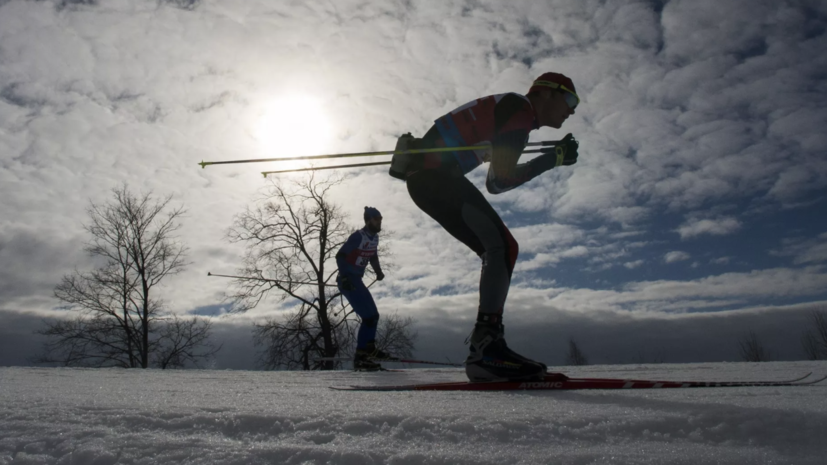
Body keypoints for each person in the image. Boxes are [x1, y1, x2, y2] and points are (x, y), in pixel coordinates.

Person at [392, 72, 580, 381]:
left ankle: (486, 345)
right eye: (570, 99)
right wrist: (552, 159)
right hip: (436, 178)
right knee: (503, 248)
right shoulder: (520, 110)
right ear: (546, 93)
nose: (572, 110)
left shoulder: (513, 110)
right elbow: (499, 181)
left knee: (498, 250)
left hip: (427, 179)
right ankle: (486, 349)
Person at [336, 206, 389, 371]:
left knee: (374, 316)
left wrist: (378, 271)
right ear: (368, 220)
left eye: (380, 218)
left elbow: (372, 255)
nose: (379, 221)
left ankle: (369, 349)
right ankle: (361, 356)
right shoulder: (358, 236)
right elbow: (340, 255)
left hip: (356, 280)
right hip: (349, 280)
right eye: (376, 219)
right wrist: (344, 277)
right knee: (369, 317)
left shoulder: (374, 238)